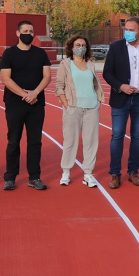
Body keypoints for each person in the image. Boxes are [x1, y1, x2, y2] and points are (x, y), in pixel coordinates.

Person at [102, 16, 139, 189]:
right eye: (126, 29)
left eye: (131, 30)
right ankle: (115, 173)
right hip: (121, 98)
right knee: (117, 135)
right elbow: (107, 73)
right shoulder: (115, 47)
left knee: (137, 136)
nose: (127, 32)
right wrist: (120, 86)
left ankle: (133, 172)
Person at [0, 20, 52, 191]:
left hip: (36, 104)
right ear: (17, 33)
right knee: (13, 140)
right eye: (25, 31)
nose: (28, 34)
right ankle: (10, 177)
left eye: (31, 31)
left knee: (35, 142)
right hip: (15, 104)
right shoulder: (9, 54)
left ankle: (34, 177)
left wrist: (35, 93)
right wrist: (25, 95)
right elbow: (6, 79)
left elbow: (47, 76)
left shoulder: (40, 53)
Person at [55, 34, 104, 188]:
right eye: (77, 45)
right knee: (70, 141)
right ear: (71, 47)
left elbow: (95, 84)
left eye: (83, 45)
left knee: (91, 142)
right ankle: (66, 172)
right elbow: (59, 85)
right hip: (73, 107)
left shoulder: (90, 64)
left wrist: (98, 100)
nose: (80, 48)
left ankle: (88, 173)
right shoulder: (65, 64)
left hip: (91, 108)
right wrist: (65, 103)